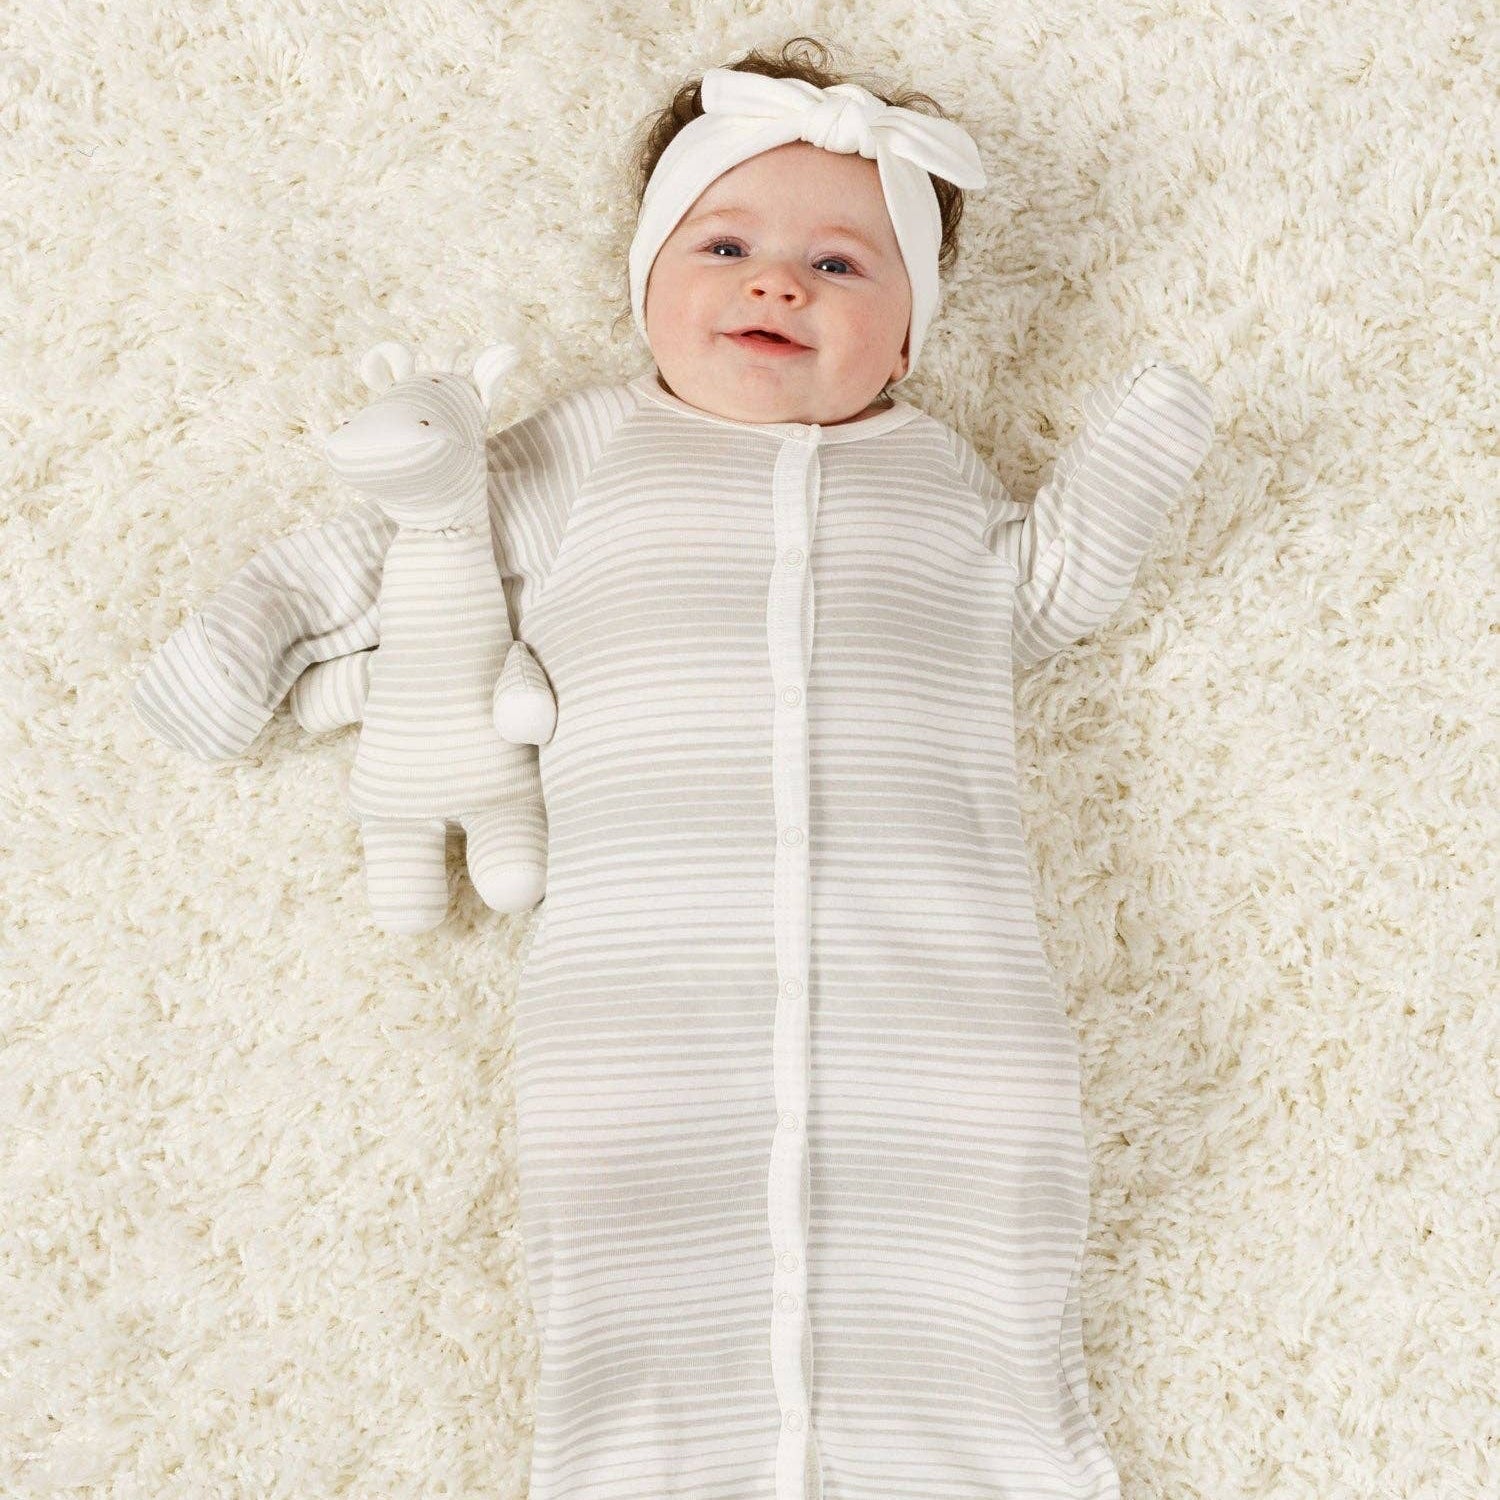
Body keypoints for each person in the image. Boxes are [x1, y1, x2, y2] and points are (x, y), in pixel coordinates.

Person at [131, 34, 1214, 1500]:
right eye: (727, 243)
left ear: (909, 338)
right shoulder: (586, 451)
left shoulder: (941, 478)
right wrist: (243, 637)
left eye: (843, 266)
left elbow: (1043, 601)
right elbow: (397, 543)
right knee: (637, 1245)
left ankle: (994, 1458)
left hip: (944, 988)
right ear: (648, 285)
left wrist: (1130, 463)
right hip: (642, 997)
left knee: (977, 1218)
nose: (778, 283)